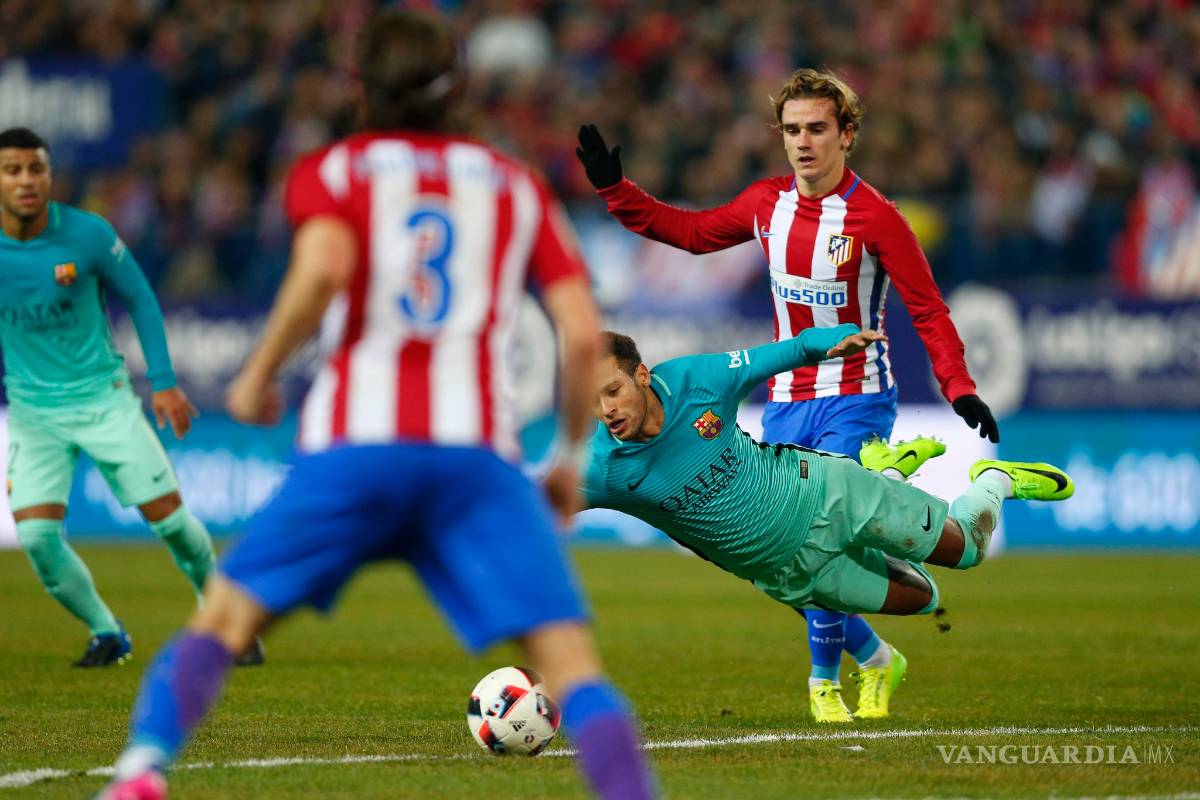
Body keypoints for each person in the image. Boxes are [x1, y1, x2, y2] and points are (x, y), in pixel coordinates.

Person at [98, 10, 657, 800]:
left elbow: (323, 267)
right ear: (457, 86)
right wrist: (567, 458)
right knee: (570, 664)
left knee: (222, 624)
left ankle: (141, 771)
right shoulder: (516, 187)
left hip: (355, 446)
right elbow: (575, 332)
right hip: (473, 458)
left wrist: (258, 373)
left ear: (361, 85)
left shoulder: (335, 172)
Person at [576, 68, 1001, 722]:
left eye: (817, 129)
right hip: (785, 399)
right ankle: (877, 658)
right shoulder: (766, 204)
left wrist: (958, 386)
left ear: (847, 134)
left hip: (855, 394)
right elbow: (689, 234)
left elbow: (929, 310)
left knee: (820, 533)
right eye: (793, 130)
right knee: (782, 546)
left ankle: (824, 684)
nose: (803, 142)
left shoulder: (877, 219)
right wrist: (616, 190)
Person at [584, 328, 1072, 719]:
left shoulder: (695, 380)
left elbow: (782, 352)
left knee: (966, 551)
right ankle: (889, 471)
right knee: (926, 600)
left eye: (613, 391)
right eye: (594, 400)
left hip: (826, 493)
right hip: (793, 574)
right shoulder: (602, 468)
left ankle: (990, 481)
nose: (607, 410)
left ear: (642, 376)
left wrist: (830, 340)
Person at [0, 127, 227, 668]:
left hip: (104, 401)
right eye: (13, 171)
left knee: (171, 521)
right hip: (33, 415)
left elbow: (141, 297)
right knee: (35, 537)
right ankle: (107, 631)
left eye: (36, 169)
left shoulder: (88, 235)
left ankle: (220, 614)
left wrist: (165, 381)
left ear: (50, 175)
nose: (27, 180)